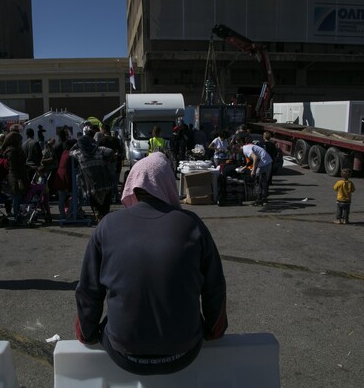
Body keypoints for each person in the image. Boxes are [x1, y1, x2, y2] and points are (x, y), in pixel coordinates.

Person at [75, 152, 228, 375]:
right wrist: (214, 331)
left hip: (124, 355)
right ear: (167, 183)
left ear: (132, 185)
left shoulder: (107, 225)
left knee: (112, 320)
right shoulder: (192, 224)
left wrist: (87, 334)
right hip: (184, 352)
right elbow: (215, 287)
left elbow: (88, 291)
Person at [70, 131, 115, 222]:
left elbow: (70, 152)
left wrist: (76, 144)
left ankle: (99, 220)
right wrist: (106, 161)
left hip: (91, 187)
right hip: (104, 183)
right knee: (105, 209)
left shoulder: (79, 154)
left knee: (96, 208)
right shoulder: (99, 150)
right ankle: (105, 222)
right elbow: (111, 151)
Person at [2, 131, 29, 225]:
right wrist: (19, 180)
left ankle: (18, 216)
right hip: (16, 177)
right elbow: (13, 167)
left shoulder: (14, 149)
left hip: (19, 176)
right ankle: (16, 218)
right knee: (17, 198)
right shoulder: (12, 151)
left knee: (19, 198)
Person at [241, 137, 273, 206]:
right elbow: (254, 159)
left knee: (258, 181)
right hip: (266, 161)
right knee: (262, 181)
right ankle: (263, 199)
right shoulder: (247, 147)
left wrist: (253, 170)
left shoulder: (245, 150)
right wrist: (245, 167)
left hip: (264, 163)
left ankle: (260, 199)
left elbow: (255, 158)